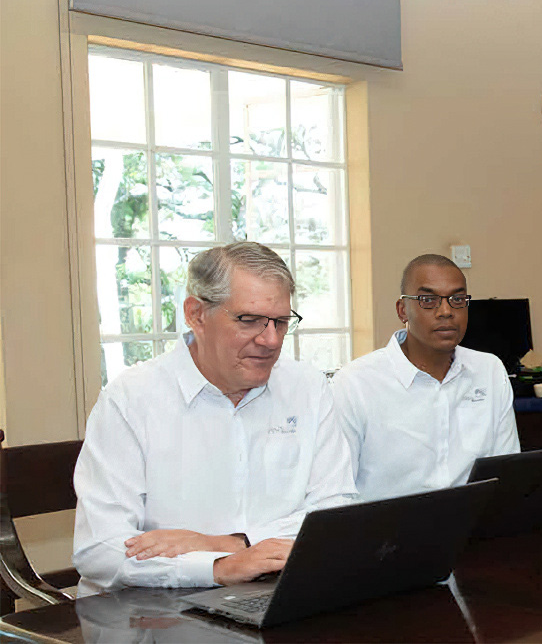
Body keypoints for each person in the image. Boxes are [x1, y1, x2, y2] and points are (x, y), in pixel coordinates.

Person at [72, 242, 356, 592]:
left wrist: (230, 543)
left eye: (281, 322)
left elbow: (335, 514)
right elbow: (99, 549)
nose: (270, 340)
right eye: (248, 320)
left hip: (278, 592)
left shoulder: (307, 387)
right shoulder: (131, 399)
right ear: (196, 314)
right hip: (151, 614)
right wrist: (217, 567)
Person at [332, 254, 518, 502]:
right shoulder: (354, 384)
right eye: (428, 300)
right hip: (384, 534)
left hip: (473, 530)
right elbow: (335, 494)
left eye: (458, 299)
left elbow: (507, 475)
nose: (446, 311)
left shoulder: (489, 370)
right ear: (402, 310)